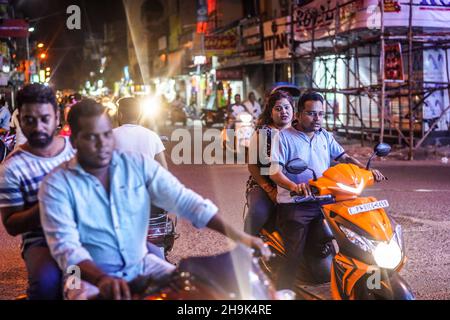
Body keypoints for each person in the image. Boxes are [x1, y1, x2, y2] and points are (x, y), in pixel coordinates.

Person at [38, 99, 270, 300]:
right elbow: (66, 248)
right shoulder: (56, 185)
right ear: (74, 140)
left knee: (201, 287)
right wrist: (101, 279)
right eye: (91, 137)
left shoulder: (137, 165)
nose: (103, 144)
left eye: (106, 134)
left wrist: (240, 237)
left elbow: (187, 202)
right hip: (80, 274)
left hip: (141, 263)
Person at [269, 91, 386, 290]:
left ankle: (358, 282)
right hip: (296, 204)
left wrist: (366, 171)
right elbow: (274, 172)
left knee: (355, 237)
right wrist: (294, 186)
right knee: (293, 257)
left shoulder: (325, 136)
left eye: (321, 114)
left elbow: (344, 158)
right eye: (311, 113)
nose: (317, 119)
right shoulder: (284, 138)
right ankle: (281, 292)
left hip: (325, 201)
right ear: (298, 113)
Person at [0, 84, 76, 299]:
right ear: (20, 119)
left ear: (57, 116)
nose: (38, 127)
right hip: (42, 242)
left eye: (45, 119)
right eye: (29, 120)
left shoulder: (78, 149)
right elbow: (12, 224)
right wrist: (47, 205)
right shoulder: (11, 168)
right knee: (46, 284)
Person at [244, 90, 294, 235]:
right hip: (264, 183)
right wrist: (269, 189)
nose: (283, 111)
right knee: (258, 213)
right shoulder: (262, 133)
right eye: (278, 109)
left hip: (294, 184)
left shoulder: (299, 132)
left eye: (287, 107)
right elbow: (252, 166)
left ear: (293, 108)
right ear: (271, 112)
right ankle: (245, 247)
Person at [113, 96, 167, 169]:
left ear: (120, 115)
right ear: (139, 115)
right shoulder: (153, 136)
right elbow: (164, 169)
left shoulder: (110, 136)